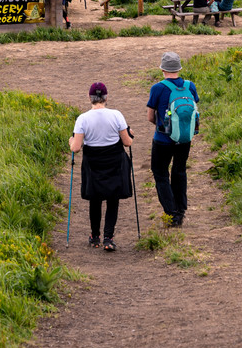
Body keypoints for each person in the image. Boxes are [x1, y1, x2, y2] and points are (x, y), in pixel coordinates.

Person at [70, 82, 134, 251]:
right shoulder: (116, 115)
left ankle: (95, 237)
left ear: (89, 98)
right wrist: (130, 135)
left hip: (93, 164)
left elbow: (76, 148)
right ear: (106, 97)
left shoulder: (82, 118)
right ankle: (108, 237)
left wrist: (71, 141)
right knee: (113, 199)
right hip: (114, 162)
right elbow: (127, 142)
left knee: (95, 199)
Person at [147, 52, 199, 227]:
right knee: (180, 171)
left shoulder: (158, 88)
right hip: (185, 138)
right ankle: (181, 209)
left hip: (162, 139)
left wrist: (162, 126)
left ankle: (171, 213)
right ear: (179, 68)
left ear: (162, 69)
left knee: (160, 172)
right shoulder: (190, 86)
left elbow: (150, 117)